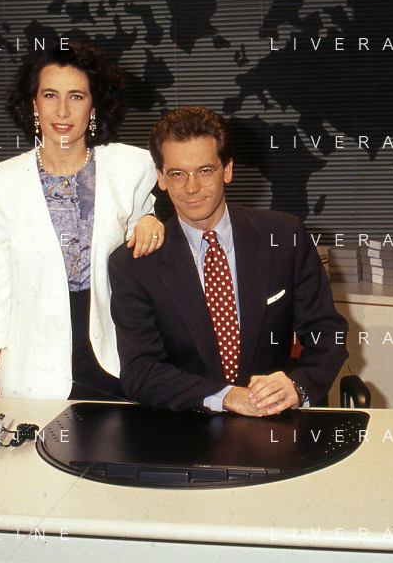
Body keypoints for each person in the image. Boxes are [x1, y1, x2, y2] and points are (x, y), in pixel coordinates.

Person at [108, 106, 348, 415]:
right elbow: (140, 371)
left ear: (228, 170)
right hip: (186, 424)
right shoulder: (134, 264)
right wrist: (226, 397)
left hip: (275, 419)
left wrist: (298, 386)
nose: (191, 187)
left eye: (205, 171)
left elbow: (327, 333)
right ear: (161, 178)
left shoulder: (284, 236)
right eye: (177, 174)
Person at [0, 42, 164, 403]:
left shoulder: (134, 167)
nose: (63, 111)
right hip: (33, 367)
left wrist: (151, 219)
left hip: (115, 357)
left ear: (94, 105)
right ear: (34, 103)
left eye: (77, 96)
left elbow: (145, 230)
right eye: (50, 95)